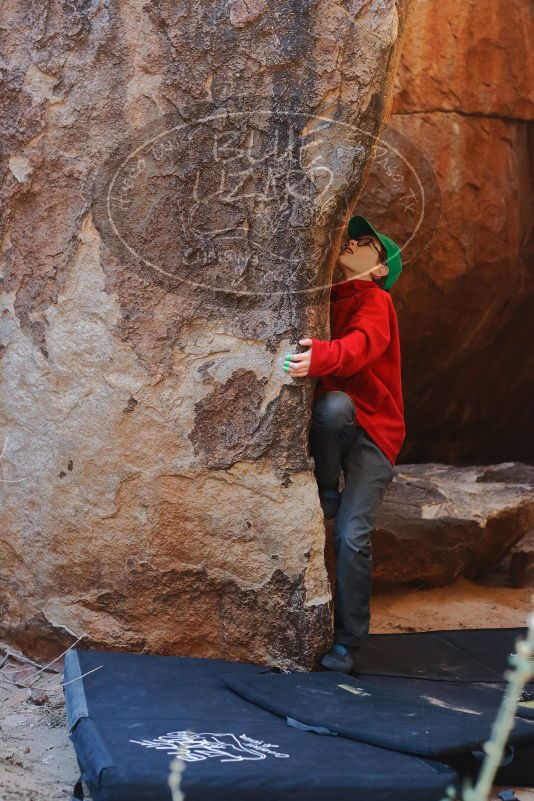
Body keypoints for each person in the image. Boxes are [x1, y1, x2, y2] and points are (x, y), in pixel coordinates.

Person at [283, 215, 405, 674]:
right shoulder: (324, 297)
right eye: (351, 237)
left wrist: (319, 356)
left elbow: (362, 348)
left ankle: (349, 644)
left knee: (352, 536)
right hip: (341, 421)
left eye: (367, 243)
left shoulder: (376, 299)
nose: (352, 243)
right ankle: (327, 485)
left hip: (376, 433)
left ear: (380, 269)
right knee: (332, 407)